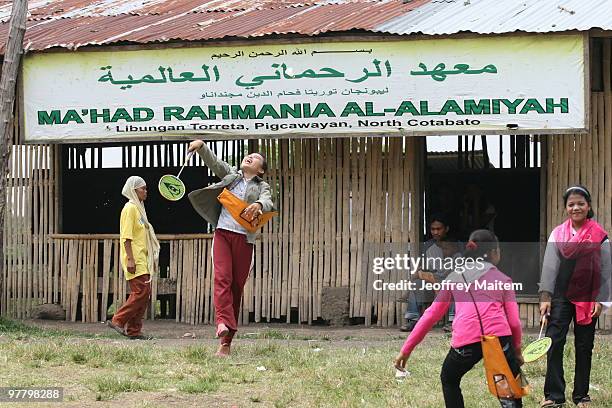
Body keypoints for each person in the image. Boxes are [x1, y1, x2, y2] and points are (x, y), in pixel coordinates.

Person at [395, 229, 524, 408]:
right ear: (494, 253)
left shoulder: (454, 278)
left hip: (466, 341)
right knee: (508, 386)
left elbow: (431, 315)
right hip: (499, 339)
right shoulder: (503, 279)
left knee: (449, 378)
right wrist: (516, 351)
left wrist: (406, 350)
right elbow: (514, 322)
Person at [187, 140, 274, 357]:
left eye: (255, 158)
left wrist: (259, 205)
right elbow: (215, 163)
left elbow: (268, 200)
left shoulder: (262, 186)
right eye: (248, 155)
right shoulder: (232, 176)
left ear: (260, 169)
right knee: (222, 278)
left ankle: (226, 343)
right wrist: (201, 146)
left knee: (236, 288)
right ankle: (222, 322)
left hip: (245, 240)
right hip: (223, 234)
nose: (249, 157)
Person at [539, 185, 611, 408]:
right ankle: (554, 395)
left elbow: (607, 271)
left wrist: (601, 300)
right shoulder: (558, 234)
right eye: (571, 204)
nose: (576, 207)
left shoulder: (600, 236)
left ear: (588, 206)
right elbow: (550, 267)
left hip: (588, 298)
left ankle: (582, 396)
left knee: (584, 345)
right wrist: (545, 296)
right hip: (560, 296)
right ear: (565, 208)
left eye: (580, 203)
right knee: (553, 342)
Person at [107, 176, 160, 340]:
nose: (145, 191)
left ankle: (134, 331)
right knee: (141, 291)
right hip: (134, 258)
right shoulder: (129, 208)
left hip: (142, 257)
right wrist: (130, 259)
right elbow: (126, 237)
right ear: (133, 190)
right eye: (142, 188)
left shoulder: (139, 209)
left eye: (145, 188)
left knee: (144, 294)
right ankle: (118, 320)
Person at [401, 214, 454, 332]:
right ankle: (413, 320)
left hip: (450, 279)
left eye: (439, 229)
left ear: (446, 229)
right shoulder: (428, 246)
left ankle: (452, 322)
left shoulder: (455, 245)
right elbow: (424, 266)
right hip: (434, 279)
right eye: (433, 229)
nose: (435, 232)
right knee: (417, 284)